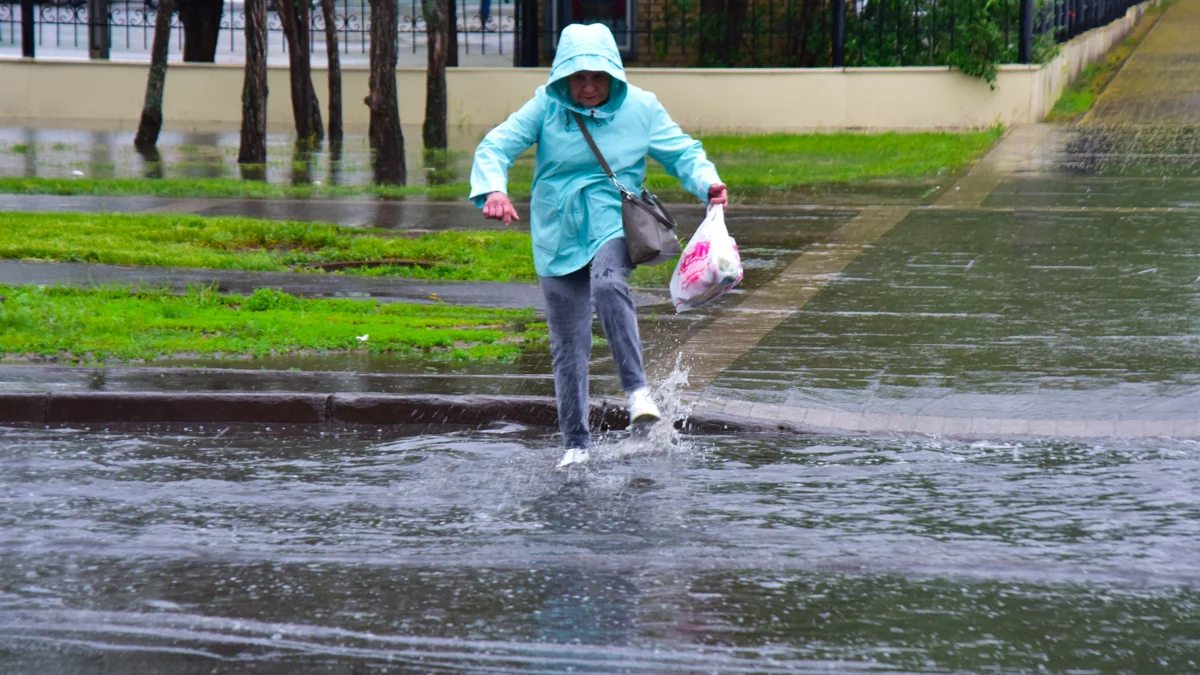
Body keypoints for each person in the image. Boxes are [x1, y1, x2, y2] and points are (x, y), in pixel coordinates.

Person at [469, 23, 727, 468]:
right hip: (556, 230)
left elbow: (683, 152)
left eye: (597, 77)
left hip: (613, 219)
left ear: (614, 76)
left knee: (609, 284)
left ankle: (637, 393)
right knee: (568, 345)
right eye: (578, 78)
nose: (588, 88)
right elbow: (496, 145)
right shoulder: (546, 106)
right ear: (564, 78)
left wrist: (707, 182)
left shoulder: (642, 108)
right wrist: (494, 189)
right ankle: (575, 445)